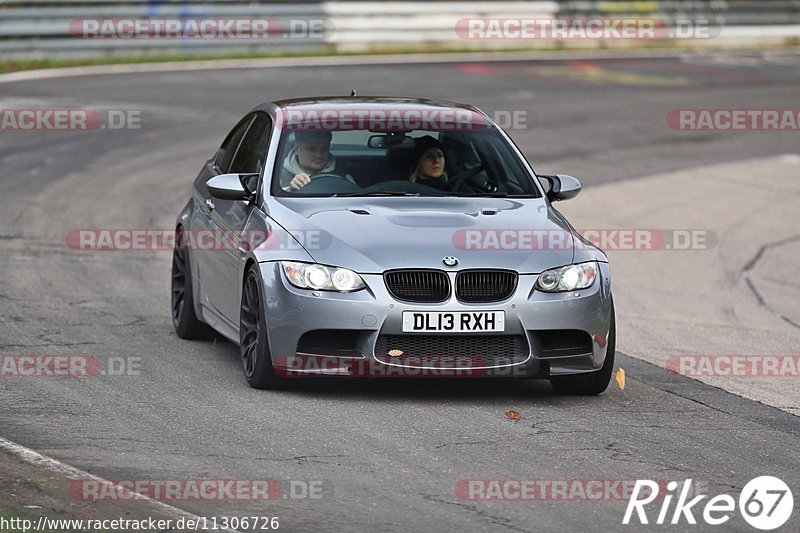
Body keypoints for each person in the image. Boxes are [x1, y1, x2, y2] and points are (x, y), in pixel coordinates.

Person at [280, 131, 354, 192]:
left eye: (324, 149)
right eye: (312, 149)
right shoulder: (278, 176)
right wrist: (290, 191)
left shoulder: (344, 176)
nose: (319, 155)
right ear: (296, 149)